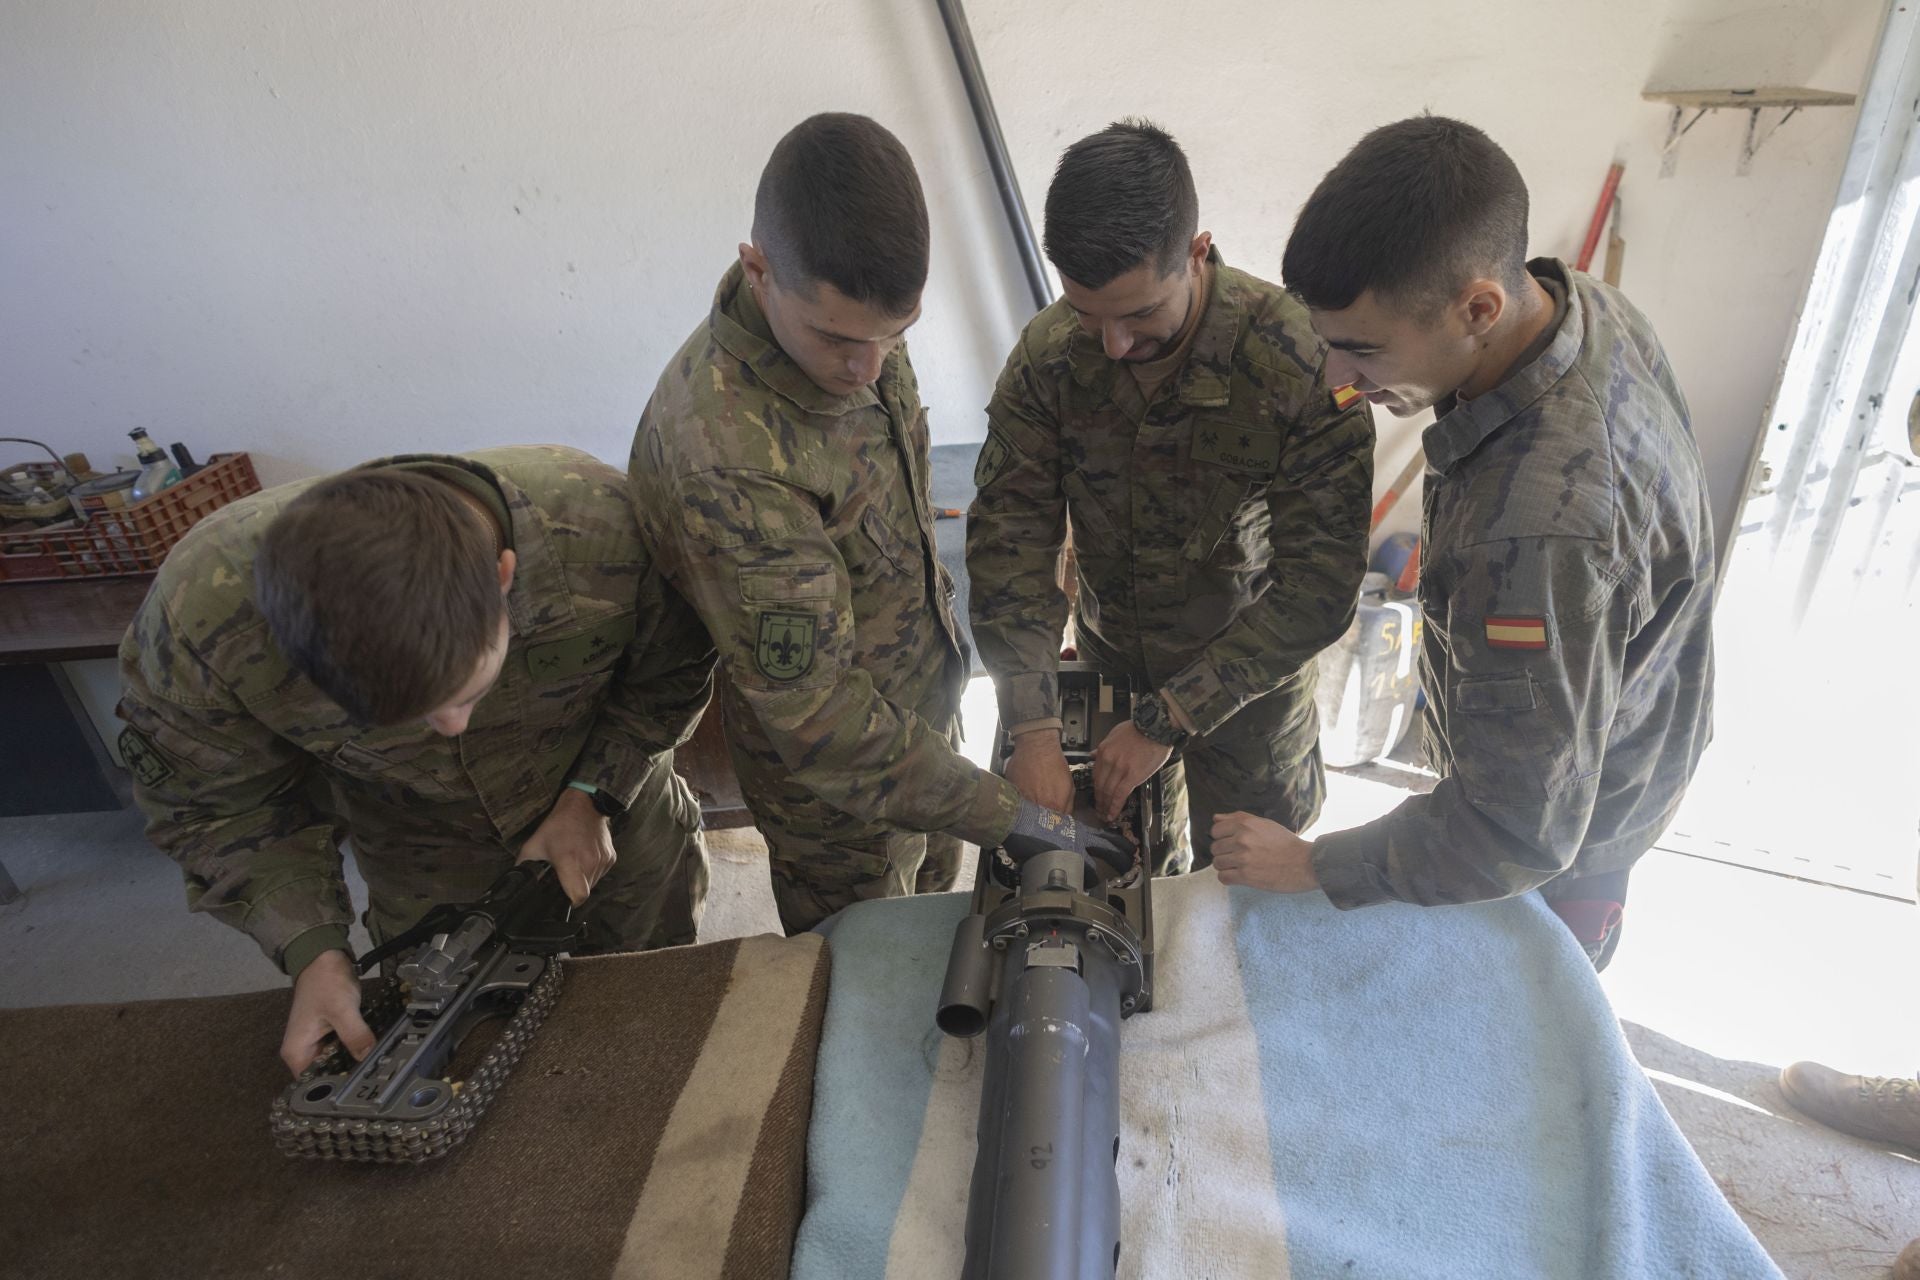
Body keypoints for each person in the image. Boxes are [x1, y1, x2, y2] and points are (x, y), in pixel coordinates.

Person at [1209, 115, 1716, 968]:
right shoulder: (1585, 307)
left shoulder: (1532, 539)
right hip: (1627, 735)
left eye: (1361, 351)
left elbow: (1513, 831)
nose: (1338, 383)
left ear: (1479, 305)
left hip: (1565, 852)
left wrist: (1310, 864)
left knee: (1515, 1051)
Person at [629, 112, 1121, 933]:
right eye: (839, 339)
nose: (868, 369)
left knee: (935, 924)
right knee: (865, 974)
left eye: (897, 336)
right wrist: (1013, 817)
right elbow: (821, 723)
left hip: (922, 723)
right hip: (838, 803)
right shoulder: (729, 459)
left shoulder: (862, 330)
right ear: (757, 270)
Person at [117, 446, 714, 1074]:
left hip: (617, 802)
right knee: (453, 1035)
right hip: (418, 840)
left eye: (468, 693)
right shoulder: (200, 626)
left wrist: (594, 794)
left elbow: (669, 675)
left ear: (504, 578)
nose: (452, 728)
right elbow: (215, 811)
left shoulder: (604, 531)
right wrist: (313, 951)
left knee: (660, 998)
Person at [966, 120, 1373, 872]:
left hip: (1247, 693)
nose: (1113, 344)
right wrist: (1031, 727)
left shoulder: (1302, 363)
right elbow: (1009, 549)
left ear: (1196, 252)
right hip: (1110, 663)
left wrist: (1171, 719)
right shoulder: (1049, 359)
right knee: (1122, 879)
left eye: (1140, 314)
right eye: (1090, 316)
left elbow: (1318, 591)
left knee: (1247, 903)